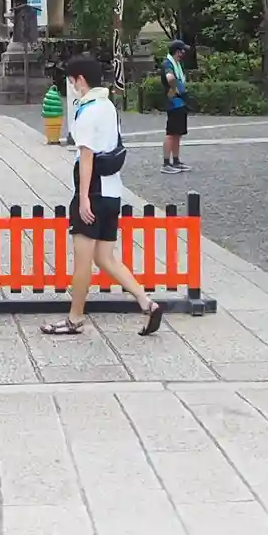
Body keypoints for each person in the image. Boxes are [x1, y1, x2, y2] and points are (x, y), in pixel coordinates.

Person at [43, 54, 165, 338]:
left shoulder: (87, 111)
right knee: (105, 257)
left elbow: (87, 156)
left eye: (72, 82)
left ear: (80, 80)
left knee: (83, 261)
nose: (72, 87)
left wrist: (83, 198)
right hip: (112, 192)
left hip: (93, 194)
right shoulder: (109, 106)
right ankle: (147, 303)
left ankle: (74, 319)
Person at [158, 38, 193, 173]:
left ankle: (176, 161)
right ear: (177, 52)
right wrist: (174, 89)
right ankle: (166, 163)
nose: (184, 53)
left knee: (178, 133)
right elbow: (170, 78)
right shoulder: (168, 64)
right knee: (171, 133)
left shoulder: (177, 64)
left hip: (180, 103)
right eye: (182, 51)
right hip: (174, 102)